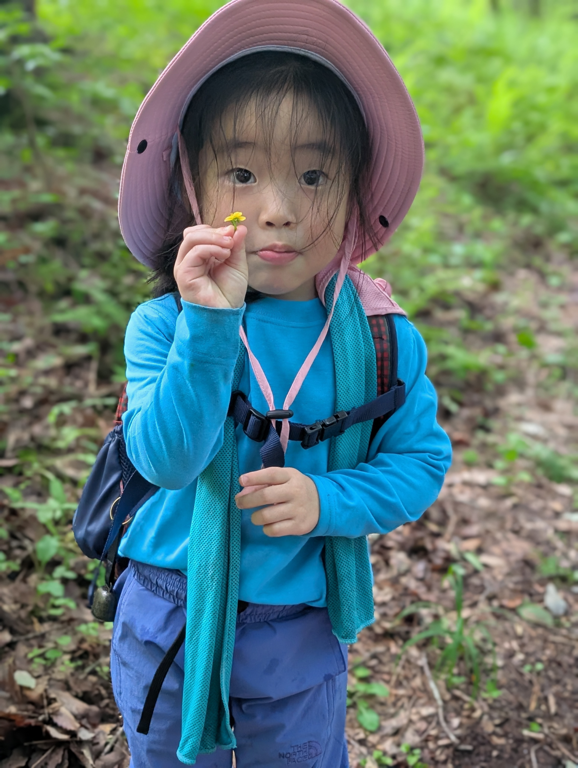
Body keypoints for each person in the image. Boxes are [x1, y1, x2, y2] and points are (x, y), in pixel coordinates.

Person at [110, 0, 452, 766]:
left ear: (356, 190)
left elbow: (419, 462)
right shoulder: (163, 325)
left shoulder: (378, 337)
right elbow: (164, 461)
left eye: (313, 173)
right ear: (194, 190)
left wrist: (328, 500)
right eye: (241, 172)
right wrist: (208, 326)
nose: (279, 210)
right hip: (167, 613)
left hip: (293, 630)